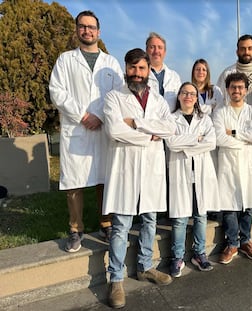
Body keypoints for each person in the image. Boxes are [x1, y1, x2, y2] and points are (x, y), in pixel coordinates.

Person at [102, 48, 176, 309]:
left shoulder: (157, 100)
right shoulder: (113, 97)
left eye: (141, 68)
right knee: (121, 224)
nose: (137, 73)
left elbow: (170, 128)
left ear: (148, 71)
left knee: (150, 219)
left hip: (151, 171)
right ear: (126, 69)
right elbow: (114, 130)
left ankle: (145, 267)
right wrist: (149, 134)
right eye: (132, 68)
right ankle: (117, 278)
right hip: (126, 170)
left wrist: (136, 123)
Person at [49, 10, 124, 252]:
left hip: (103, 128)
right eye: (83, 26)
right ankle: (75, 229)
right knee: (74, 182)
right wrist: (83, 115)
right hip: (77, 128)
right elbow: (57, 92)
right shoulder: (65, 60)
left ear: (98, 31)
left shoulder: (110, 63)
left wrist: (100, 116)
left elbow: (118, 94)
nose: (87, 31)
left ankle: (106, 223)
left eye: (91, 27)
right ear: (77, 30)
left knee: (105, 179)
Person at [213, 72, 252, 264]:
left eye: (240, 87)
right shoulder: (220, 112)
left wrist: (235, 133)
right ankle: (232, 243)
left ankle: (246, 242)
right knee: (229, 206)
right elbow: (219, 137)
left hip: (248, 165)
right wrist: (245, 141)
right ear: (227, 90)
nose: (236, 91)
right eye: (233, 87)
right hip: (228, 164)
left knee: (248, 205)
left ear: (246, 90)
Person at [166, 82, 220, 278]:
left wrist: (187, 143)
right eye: (184, 93)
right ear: (179, 96)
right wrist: (196, 139)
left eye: (192, 93)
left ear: (197, 98)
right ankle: (177, 257)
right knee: (180, 218)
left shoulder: (204, 119)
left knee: (200, 215)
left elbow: (211, 142)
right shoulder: (171, 119)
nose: (188, 96)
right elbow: (171, 143)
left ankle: (199, 254)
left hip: (201, 174)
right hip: (181, 173)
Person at [216, 34, 252, 108]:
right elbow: (218, 100)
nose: (246, 52)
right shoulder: (226, 74)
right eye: (243, 49)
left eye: (250, 48)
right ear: (237, 52)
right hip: (232, 118)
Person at [146, 32, 182, 112]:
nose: (156, 51)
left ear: (164, 52)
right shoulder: (140, 75)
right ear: (146, 50)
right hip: (147, 122)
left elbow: (181, 104)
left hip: (170, 122)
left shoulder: (174, 77)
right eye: (152, 47)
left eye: (160, 47)